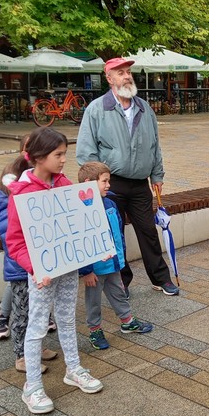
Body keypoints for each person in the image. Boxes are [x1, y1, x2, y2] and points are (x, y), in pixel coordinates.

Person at [7, 127, 103, 414]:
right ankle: (32, 386)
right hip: (42, 274)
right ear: (39, 157)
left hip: (67, 268)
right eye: (58, 154)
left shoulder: (64, 184)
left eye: (64, 154)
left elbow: (80, 223)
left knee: (67, 318)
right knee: (37, 327)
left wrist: (97, 246)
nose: (63, 160)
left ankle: (73, 368)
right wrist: (34, 268)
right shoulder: (22, 193)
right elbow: (15, 241)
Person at [76, 57, 179, 296]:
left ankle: (160, 278)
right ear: (109, 78)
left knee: (148, 232)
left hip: (140, 183)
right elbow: (86, 151)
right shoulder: (97, 109)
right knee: (115, 233)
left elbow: (155, 145)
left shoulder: (144, 108)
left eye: (128, 72)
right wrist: (97, 180)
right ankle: (121, 281)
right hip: (111, 183)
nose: (127, 76)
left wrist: (157, 174)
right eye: (120, 72)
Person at [0, 155, 58, 372]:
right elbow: (12, 240)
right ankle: (22, 356)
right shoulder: (9, 206)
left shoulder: (28, 201)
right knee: (22, 313)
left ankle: (36, 348)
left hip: (35, 267)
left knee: (38, 311)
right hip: (20, 270)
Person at [77, 161, 154, 350]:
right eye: (104, 181)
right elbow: (81, 242)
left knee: (119, 292)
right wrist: (86, 270)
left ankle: (127, 321)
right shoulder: (81, 210)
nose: (108, 185)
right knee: (93, 301)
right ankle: (95, 330)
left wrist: (119, 257)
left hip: (113, 262)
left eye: (108, 181)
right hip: (95, 268)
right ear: (88, 183)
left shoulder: (110, 202)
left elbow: (117, 232)